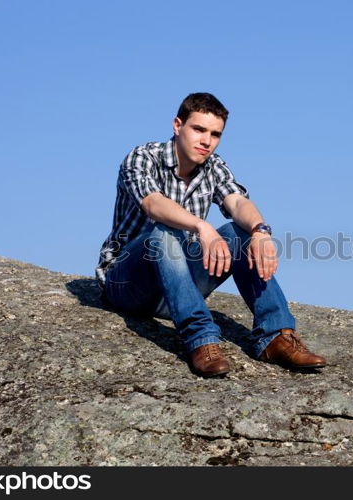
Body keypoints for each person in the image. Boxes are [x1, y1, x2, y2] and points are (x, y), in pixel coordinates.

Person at [96, 92, 326, 377]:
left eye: (215, 134)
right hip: (128, 283)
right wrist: (201, 226)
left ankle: (275, 335)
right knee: (163, 232)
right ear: (177, 125)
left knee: (240, 232)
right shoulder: (142, 157)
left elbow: (238, 202)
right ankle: (201, 340)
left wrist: (260, 231)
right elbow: (153, 204)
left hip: (177, 289)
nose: (206, 141)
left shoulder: (214, 166)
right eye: (199, 129)